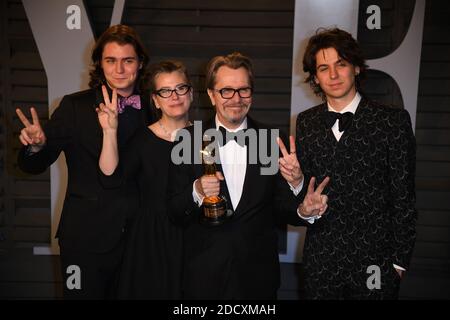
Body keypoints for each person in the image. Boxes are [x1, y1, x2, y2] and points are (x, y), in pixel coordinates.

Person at [166, 52, 329, 299]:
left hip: (257, 279)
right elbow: (174, 212)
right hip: (203, 278)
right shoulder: (188, 140)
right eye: (226, 91)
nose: (236, 99)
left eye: (244, 90)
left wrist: (299, 196)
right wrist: (196, 191)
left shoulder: (271, 141)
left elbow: (281, 208)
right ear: (211, 94)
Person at [15, 24, 155, 299]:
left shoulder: (155, 107)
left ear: (140, 63)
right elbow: (33, 165)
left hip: (142, 239)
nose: (120, 69)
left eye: (128, 60)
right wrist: (37, 147)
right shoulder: (74, 107)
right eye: (111, 61)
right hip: (86, 239)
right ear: (99, 65)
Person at [294, 27, 417, 299]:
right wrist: (295, 184)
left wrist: (398, 263)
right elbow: (306, 193)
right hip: (321, 262)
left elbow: (404, 198)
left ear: (357, 68)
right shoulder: (306, 122)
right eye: (323, 68)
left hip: (375, 264)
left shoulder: (392, 122)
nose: (333, 75)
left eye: (341, 64)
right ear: (315, 76)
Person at [97, 60, 192, 299]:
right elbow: (111, 179)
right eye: (165, 91)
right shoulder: (143, 139)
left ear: (190, 93)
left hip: (194, 239)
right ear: (156, 100)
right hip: (150, 241)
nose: (175, 96)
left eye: (181, 88)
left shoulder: (206, 137)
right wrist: (109, 132)